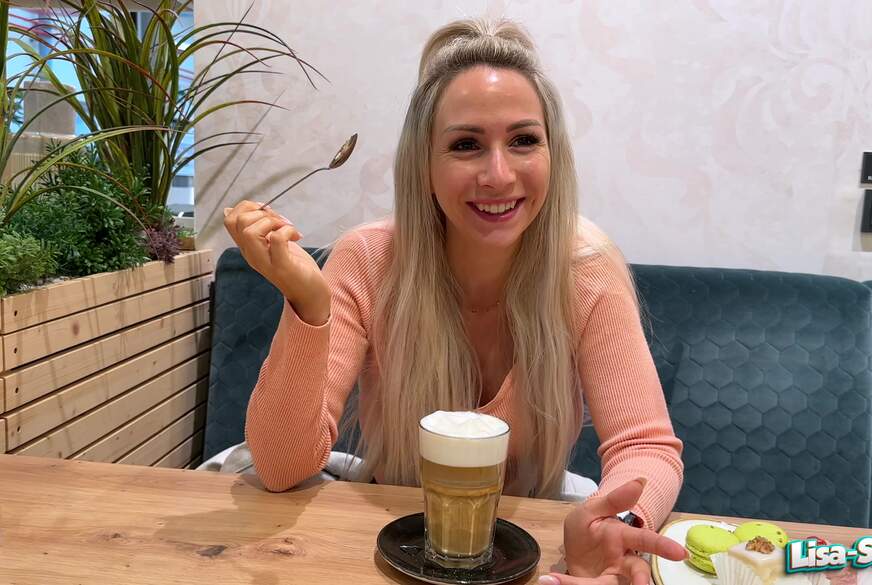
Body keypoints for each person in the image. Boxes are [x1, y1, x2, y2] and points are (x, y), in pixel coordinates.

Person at [223, 17, 687, 585]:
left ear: (554, 154)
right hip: (388, 543)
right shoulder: (367, 260)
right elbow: (279, 468)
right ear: (424, 163)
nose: (499, 175)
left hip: (533, 548)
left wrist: (618, 524)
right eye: (466, 145)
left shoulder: (586, 269)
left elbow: (645, 445)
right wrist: (307, 304)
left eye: (524, 140)